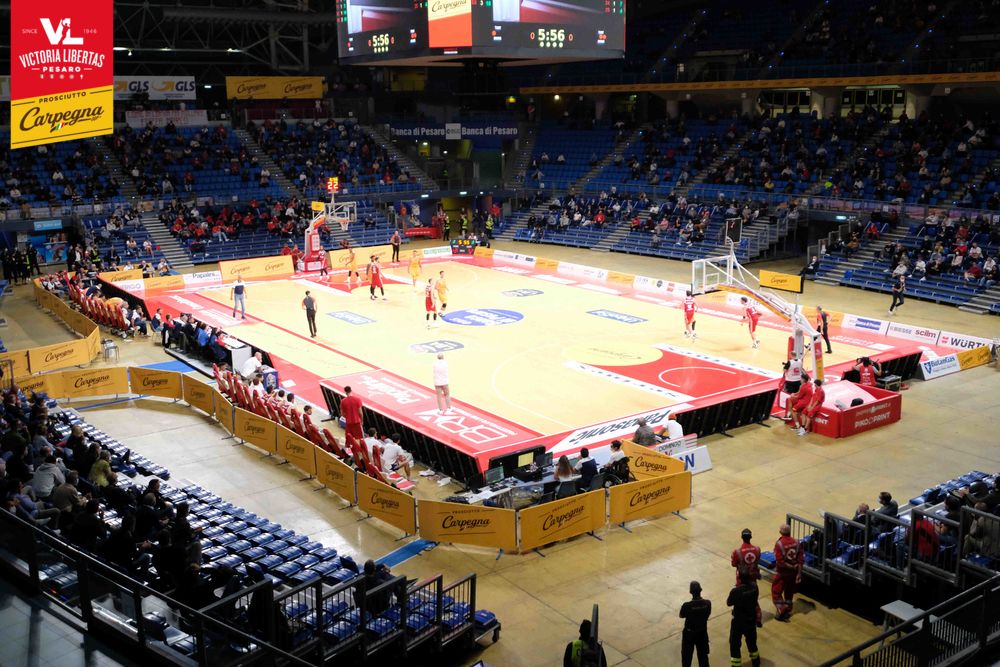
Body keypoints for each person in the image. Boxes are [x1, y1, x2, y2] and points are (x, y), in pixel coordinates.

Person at [728, 571, 762, 667]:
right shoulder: (755, 587)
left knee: (735, 644)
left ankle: (736, 665)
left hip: (738, 622)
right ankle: (756, 662)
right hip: (751, 620)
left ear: (739, 578)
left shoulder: (736, 591)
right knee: (752, 643)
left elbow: (729, 603)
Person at [772, 523, 803, 621]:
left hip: (782, 574)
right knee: (789, 592)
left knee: (776, 592)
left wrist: (790, 566)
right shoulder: (797, 542)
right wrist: (799, 573)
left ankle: (782, 610)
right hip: (793, 574)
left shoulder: (779, 544)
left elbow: (780, 562)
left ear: (780, 532)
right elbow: (801, 559)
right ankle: (788, 610)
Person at [679, 581, 711, 667]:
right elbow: (707, 614)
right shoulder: (707, 603)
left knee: (687, 658)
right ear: (700, 590)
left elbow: (681, 615)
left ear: (691, 592)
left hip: (689, 634)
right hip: (702, 633)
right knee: (703, 657)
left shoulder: (687, 606)